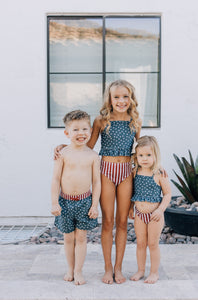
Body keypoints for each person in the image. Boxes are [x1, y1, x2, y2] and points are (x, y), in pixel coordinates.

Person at [54, 80, 142, 284]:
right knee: (108, 222)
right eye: (116, 97)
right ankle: (107, 268)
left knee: (122, 223)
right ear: (109, 99)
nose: (121, 100)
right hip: (106, 171)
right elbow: (88, 146)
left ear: (131, 99)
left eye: (125, 96)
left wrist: (156, 166)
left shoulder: (135, 121)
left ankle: (118, 268)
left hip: (126, 172)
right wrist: (64, 146)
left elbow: (140, 151)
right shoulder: (102, 121)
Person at [51, 110, 101, 285]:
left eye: (85, 129)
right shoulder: (62, 154)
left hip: (84, 202)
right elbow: (56, 178)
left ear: (90, 130)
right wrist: (54, 202)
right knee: (68, 237)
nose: (81, 133)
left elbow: (96, 182)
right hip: (65, 202)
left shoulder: (93, 156)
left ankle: (79, 271)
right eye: (76, 130)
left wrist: (94, 205)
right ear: (67, 133)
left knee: (81, 238)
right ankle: (70, 269)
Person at [129, 136, 171, 284]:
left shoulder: (159, 173)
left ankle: (154, 272)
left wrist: (160, 210)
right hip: (140, 214)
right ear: (136, 156)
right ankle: (141, 270)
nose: (144, 159)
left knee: (153, 244)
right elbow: (131, 191)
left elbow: (167, 194)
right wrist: (130, 208)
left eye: (148, 155)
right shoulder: (135, 172)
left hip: (155, 215)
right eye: (141, 155)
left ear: (155, 155)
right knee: (140, 243)